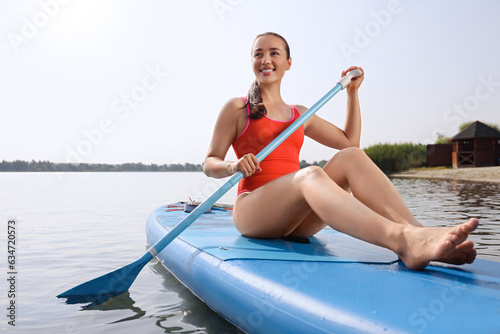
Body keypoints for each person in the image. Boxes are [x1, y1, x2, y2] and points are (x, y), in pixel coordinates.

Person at [203, 32, 478, 270]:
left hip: (297, 221)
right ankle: (403, 241)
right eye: (258, 54)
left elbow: (350, 143)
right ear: (251, 61)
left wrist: (352, 93)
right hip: (254, 213)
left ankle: (421, 236)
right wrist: (233, 166)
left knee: (352, 158)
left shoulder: (300, 114)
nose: (265, 60)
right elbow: (209, 162)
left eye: (274, 53)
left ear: (288, 63)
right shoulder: (238, 108)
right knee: (309, 175)